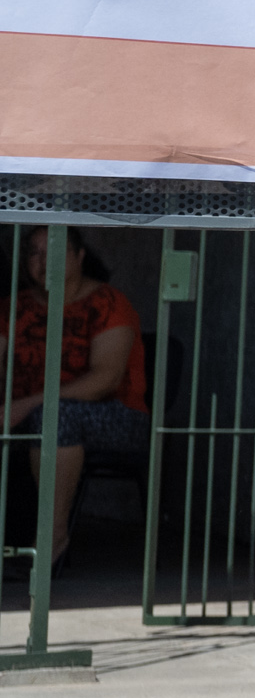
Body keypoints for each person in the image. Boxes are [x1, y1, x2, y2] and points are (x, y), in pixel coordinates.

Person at [7, 233, 149, 572]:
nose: (43, 262)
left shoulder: (109, 303)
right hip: (27, 413)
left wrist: (27, 404)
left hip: (116, 415)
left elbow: (105, 380)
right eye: (34, 253)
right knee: (46, 417)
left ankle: (52, 540)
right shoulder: (17, 307)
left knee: (56, 417)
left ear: (80, 256)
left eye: (54, 252)